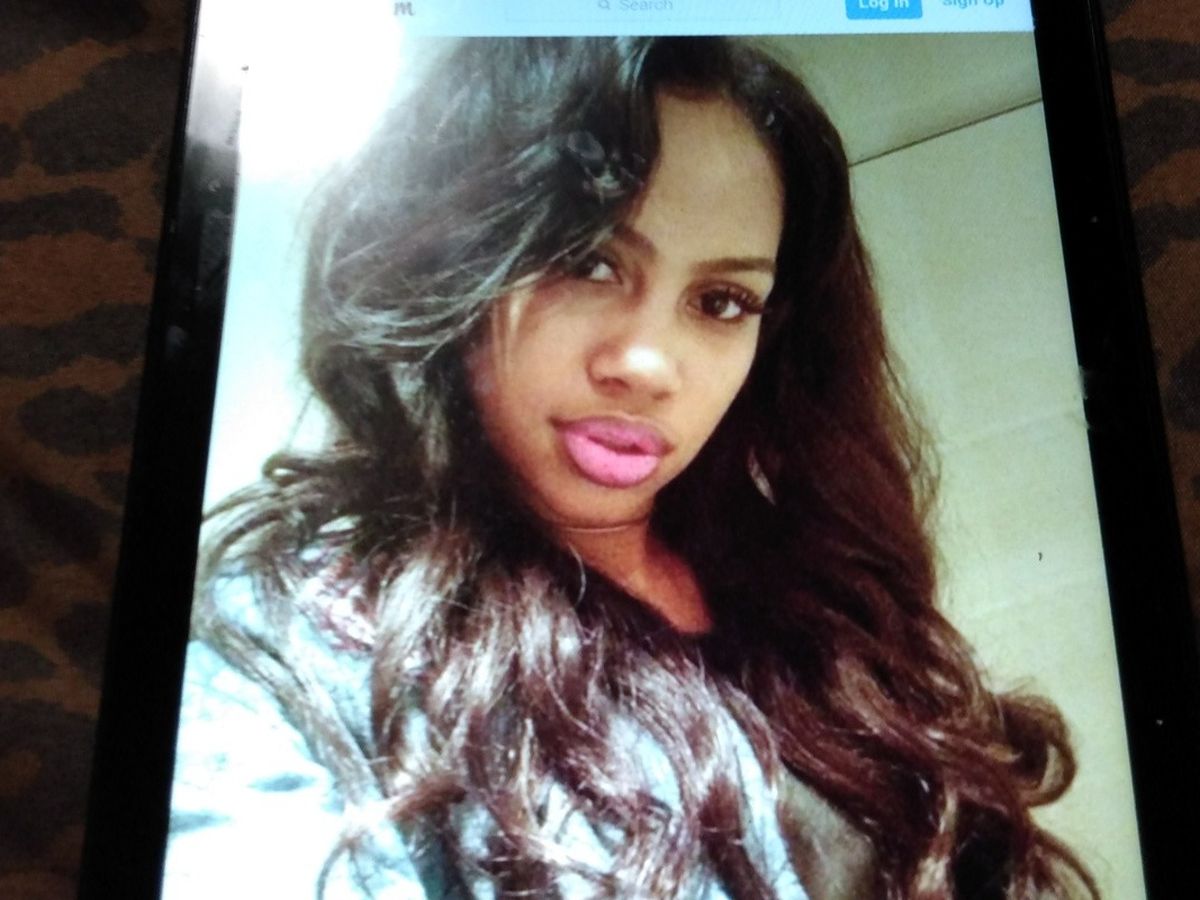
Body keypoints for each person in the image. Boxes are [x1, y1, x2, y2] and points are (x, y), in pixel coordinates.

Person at [165, 36, 1099, 899]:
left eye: (722, 301)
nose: (647, 365)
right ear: (459, 268)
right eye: (589, 264)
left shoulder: (812, 590)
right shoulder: (311, 637)